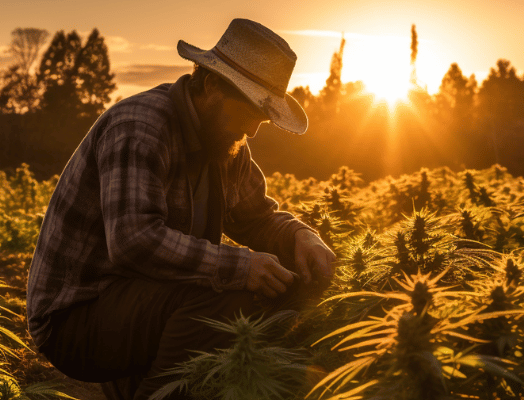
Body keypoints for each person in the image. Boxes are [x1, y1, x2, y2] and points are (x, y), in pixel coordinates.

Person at [26, 18, 336, 400]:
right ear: (210, 86)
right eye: (249, 112)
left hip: (138, 300)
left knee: (279, 286)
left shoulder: (226, 140)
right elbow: (133, 241)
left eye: (261, 117)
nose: (253, 130)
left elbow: (255, 216)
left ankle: (146, 381)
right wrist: (242, 266)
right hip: (76, 315)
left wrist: (301, 236)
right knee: (227, 301)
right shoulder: (140, 127)